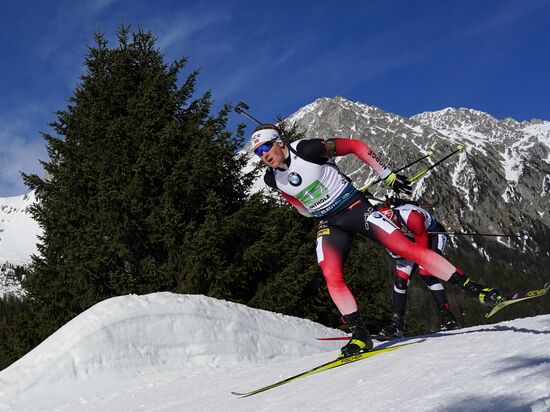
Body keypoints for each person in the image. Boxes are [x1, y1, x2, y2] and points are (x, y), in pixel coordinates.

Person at [250, 124, 503, 357]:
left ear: (280, 143)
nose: (263, 155)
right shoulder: (271, 179)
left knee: (406, 249)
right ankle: (360, 335)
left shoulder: (306, 148)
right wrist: (313, 207)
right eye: (257, 153)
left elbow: (355, 146)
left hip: (355, 208)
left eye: (265, 147)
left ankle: (474, 289)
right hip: (329, 222)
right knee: (330, 273)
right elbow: (296, 203)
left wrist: (386, 174)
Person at [376, 202, 458, 338]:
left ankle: (448, 318)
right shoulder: (382, 229)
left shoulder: (411, 217)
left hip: (432, 235)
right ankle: (397, 325)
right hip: (412, 240)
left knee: (426, 273)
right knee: (401, 281)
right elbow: (395, 253)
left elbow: (423, 251)